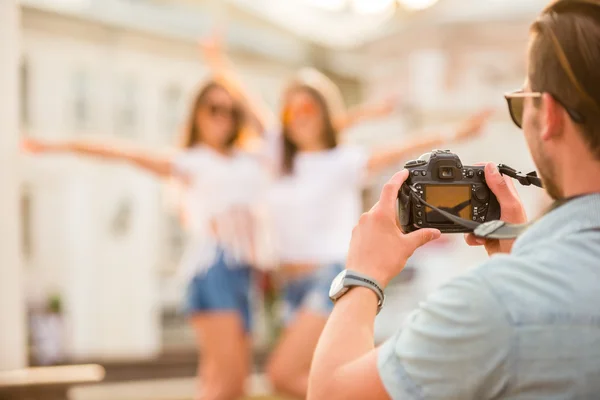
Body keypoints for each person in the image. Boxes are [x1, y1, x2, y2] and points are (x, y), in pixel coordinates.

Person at [308, 1, 600, 399]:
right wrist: (516, 262)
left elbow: (332, 393)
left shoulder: (491, 304)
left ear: (547, 113)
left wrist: (363, 276)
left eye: (522, 102)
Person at [199, 35, 492, 398]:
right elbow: (247, 99)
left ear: (324, 115)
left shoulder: (343, 161)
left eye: (309, 109)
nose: (300, 118)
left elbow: (401, 148)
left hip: (329, 280)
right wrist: (217, 60)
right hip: (289, 286)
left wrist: (458, 132)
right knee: (312, 377)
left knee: (282, 375)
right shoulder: (277, 155)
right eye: (292, 111)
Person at [22, 79, 272, 400]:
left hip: (243, 273)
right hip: (214, 270)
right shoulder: (191, 160)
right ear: (197, 115)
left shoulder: (250, 158)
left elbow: (271, 126)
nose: (222, 116)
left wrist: (219, 62)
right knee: (227, 387)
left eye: (230, 110)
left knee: (227, 385)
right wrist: (54, 146)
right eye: (213, 109)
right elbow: (121, 152)